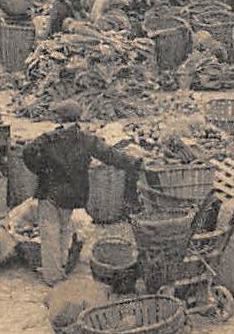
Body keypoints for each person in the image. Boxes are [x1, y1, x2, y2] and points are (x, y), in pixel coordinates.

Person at [21, 100, 143, 285]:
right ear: (78, 118)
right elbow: (110, 155)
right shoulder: (87, 139)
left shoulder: (48, 139)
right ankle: (61, 266)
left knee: (50, 233)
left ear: (59, 118)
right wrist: (134, 163)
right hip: (73, 194)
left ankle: (53, 276)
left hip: (50, 191)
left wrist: (41, 170)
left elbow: (28, 152)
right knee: (64, 229)